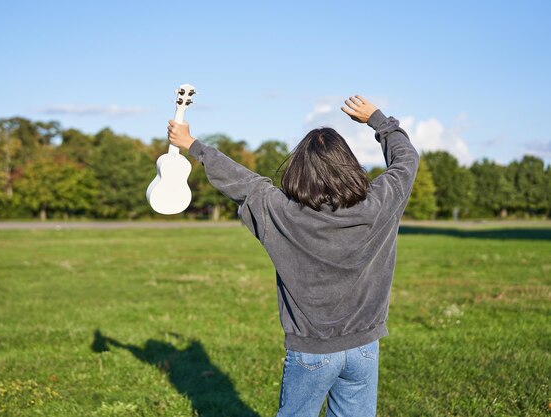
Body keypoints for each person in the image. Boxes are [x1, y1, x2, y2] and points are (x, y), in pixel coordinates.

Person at [167, 95, 419, 417]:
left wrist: (192, 145)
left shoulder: (283, 214)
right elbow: (406, 161)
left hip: (310, 352)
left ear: (300, 172)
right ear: (350, 166)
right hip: (364, 348)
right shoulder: (381, 203)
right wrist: (379, 121)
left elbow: (244, 184)